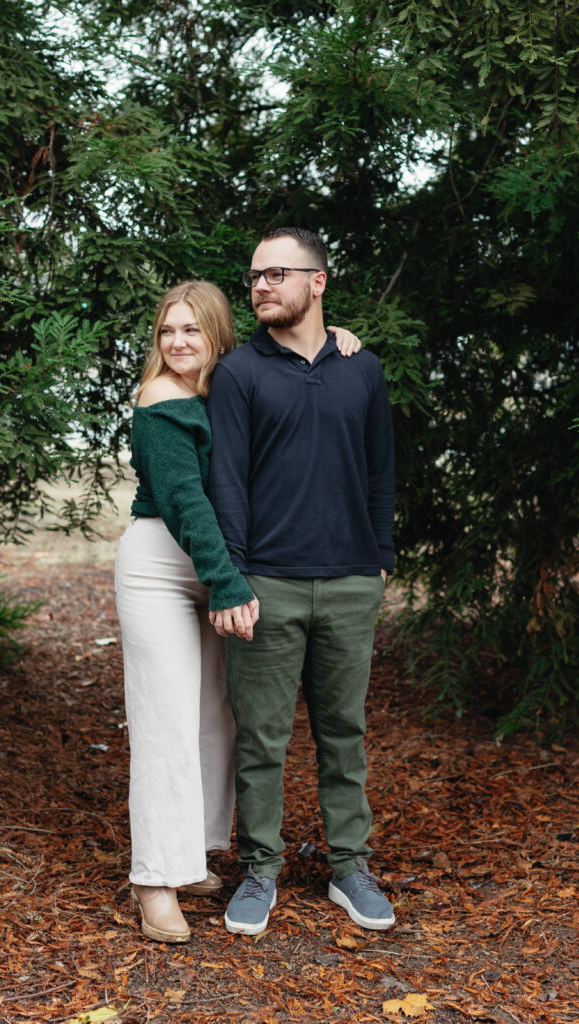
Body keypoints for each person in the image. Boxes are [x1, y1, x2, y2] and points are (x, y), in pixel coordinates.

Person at [115, 279, 362, 944]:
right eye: (166, 331)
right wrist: (226, 583)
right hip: (164, 568)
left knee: (215, 718)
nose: (176, 343)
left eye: (191, 330)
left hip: (218, 568)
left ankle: (190, 852)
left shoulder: (230, 384)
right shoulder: (162, 399)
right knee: (164, 723)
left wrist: (336, 344)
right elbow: (188, 505)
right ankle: (153, 881)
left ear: (217, 334)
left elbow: (293, 364)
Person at [207, 228, 396, 937]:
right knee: (260, 740)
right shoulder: (238, 374)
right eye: (252, 275)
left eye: (276, 273)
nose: (259, 286)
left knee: (343, 734)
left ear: (317, 281)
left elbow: (380, 470)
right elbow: (225, 481)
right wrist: (233, 579)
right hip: (266, 584)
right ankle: (260, 869)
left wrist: (378, 556)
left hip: (351, 582)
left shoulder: (361, 369)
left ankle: (350, 867)